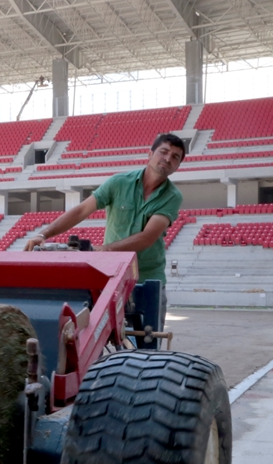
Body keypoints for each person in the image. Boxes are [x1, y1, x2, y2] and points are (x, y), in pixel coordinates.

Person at [24, 132, 186, 331]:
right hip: (111, 277)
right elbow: (82, 210)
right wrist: (44, 234)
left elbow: (147, 238)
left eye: (175, 157)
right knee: (98, 339)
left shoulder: (172, 196)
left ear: (177, 166)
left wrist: (105, 251)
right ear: (150, 154)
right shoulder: (119, 182)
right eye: (164, 152)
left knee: (147, 343)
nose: (168, 159)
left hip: (147, 280)